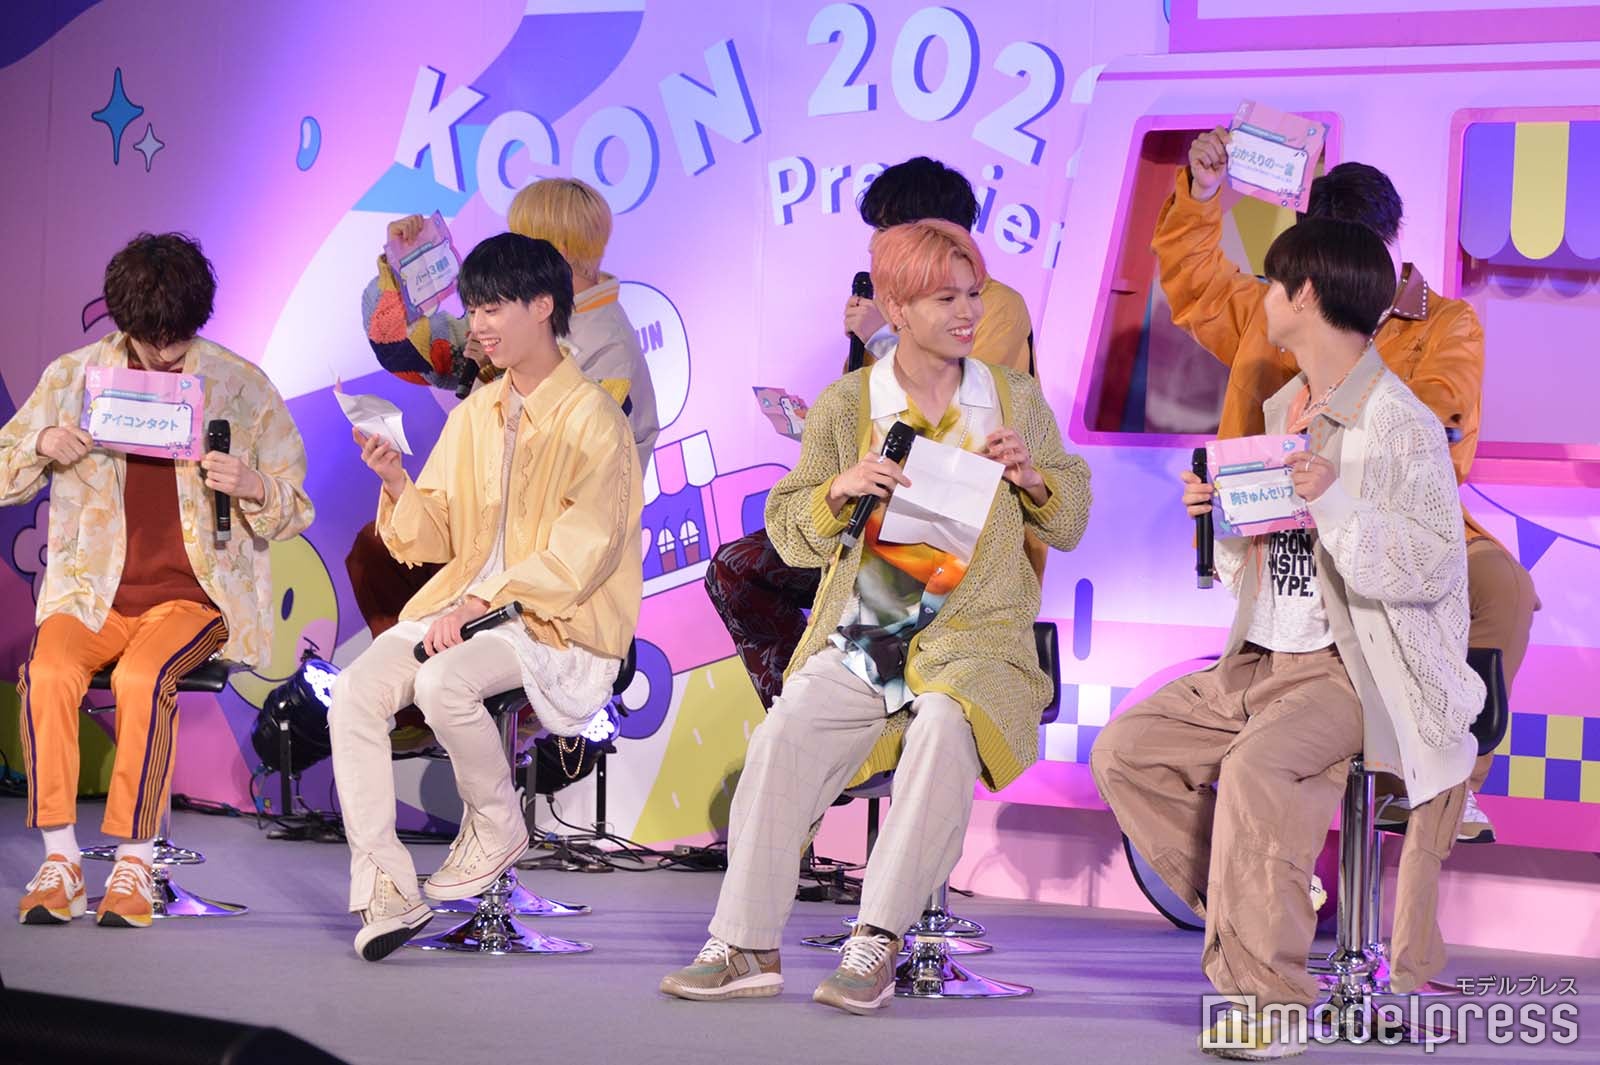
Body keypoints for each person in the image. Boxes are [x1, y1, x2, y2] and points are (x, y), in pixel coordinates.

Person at [660, 220, 1090, 1013]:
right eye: (945, 298)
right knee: (787, 731)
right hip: (873, 626)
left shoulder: (1013, 396)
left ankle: (877, 938)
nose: (967, 312)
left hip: (980, 638)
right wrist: (838, 490)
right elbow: (791, 529)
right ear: (896, 305)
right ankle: (746, 942)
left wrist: (1035, 480)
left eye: (973, 294)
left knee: (942, 724)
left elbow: (1069, 521)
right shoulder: (850, 402)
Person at [1093, 218, 1483, 1058]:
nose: (1262, 299)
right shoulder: (1283, 407)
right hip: (1259, 655)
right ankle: (1268, 894)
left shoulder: (1400, 423)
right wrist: (1222, 522)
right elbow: (1259, 567)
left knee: (1257, 770)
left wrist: (1334, 498)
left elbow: (1429, 564)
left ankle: (1270, 999)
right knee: (1126, 750)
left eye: (1272, 284)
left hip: (1353, 669)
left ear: (1304, 294)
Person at [1153, 137, 1536, 846]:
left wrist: (1352, 446)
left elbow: (1443, 421)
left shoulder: (1444, 322)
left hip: (1381, 513)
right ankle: (1266, 870)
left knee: (1502, 587)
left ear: (1389, 245)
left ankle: (1448, 778)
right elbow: (1197, 281)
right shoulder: (1277, 308)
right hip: (1275, 522)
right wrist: (1203, 194)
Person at [328, 232, 642, 962]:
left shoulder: (594, 419)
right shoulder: (476, 412)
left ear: (543, 306)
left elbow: (580, 556)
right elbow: (436, 531)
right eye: (473, 309)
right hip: (466, 606)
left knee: (443, 681)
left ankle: (497, 821)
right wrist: (396, 480)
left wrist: (482, 606)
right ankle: (387, 885)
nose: (478, 325)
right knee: (355, 692)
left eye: (493, 308)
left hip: (557, 619)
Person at [2, 233, 313, 928]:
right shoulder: (72, 377)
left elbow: (296, 507)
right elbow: (3, 471)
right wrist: (40, 443)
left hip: (193, 598)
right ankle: (60, 860)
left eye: (179, 339)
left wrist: (254, 484)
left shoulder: (240, 385)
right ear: (123, 322)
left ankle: (135, 862)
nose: (166, 353)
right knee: (46, 672)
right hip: (90, 592)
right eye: (151, 340)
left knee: (143, 677)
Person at [706, 156, 1043, 713]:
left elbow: (965, 422)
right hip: (873, 514)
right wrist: (821, 427)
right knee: (736, 570)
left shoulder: (997, 308)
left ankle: (843, 721)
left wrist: (883, 337)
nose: (871, 248)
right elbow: (868, 415)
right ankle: (806, 718)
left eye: (884, 232)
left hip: (948, 531)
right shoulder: (894, 310)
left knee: (875, 641)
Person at [350, 177, 658, 636]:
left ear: (555, 254)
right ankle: (416, 675)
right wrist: (406, 262)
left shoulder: (607, 347)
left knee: (388, 560)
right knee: (375, 550)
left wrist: (492, 382)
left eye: (521, 240)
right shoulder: (506, 321)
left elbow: (553, 468)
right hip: (488, 529)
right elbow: (408, 350)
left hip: (550, 555)